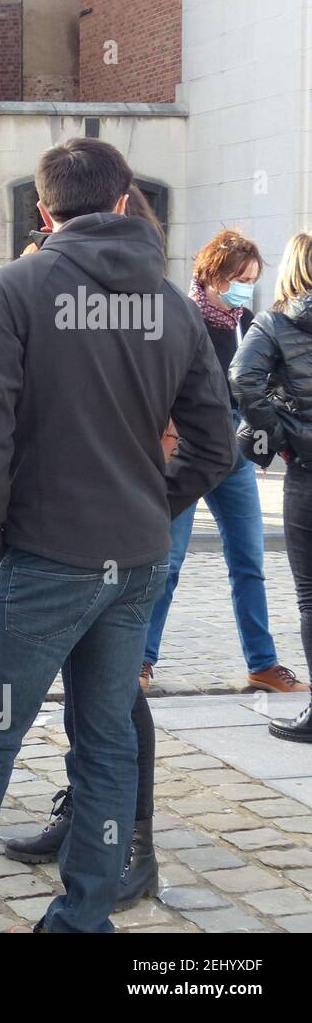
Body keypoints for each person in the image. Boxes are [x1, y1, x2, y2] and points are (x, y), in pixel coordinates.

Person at [0, 138, 235, 933]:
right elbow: (217, 445)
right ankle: (82, 917)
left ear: (44, 212)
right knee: (104, 743)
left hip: (43, 554)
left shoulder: (19, 287)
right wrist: (152, 502)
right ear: (122, 202)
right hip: (132, 557)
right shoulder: (173, 303)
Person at [0, 183, 173, 910]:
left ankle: (134, 837)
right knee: (89, 681)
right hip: (73, 517)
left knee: (118, 683)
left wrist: (155, 499)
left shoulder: (150, 296)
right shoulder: (53, 280)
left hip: (137, 508)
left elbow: (188, 416)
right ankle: (84, 813)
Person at [140, 229, 306, 694]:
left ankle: (262, 662)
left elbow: (266, 383)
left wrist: (263, 432)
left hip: (233, 448)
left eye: (252, 279)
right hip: (188, 446)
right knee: (168, 562)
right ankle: (142, 660)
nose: (244, 288)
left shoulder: (246, 320)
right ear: (212, 273)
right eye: (238, 277)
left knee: (249, 559)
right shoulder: (180, 316)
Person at [234, 232, 312, 740]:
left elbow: (243, 379)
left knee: (310, 594)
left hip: (309, 471)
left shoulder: (275, 322)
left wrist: (285, 434)